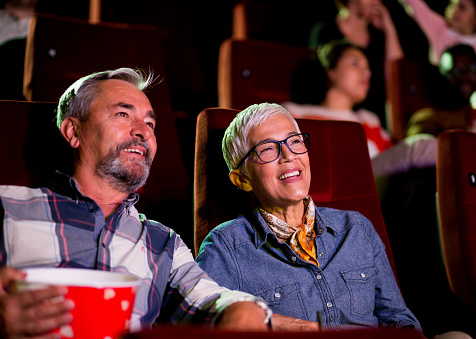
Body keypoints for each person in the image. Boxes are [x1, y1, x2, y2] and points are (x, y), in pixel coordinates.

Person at [0, 68, 272, 338]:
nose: (143, 132)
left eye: (151, 124)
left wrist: (244, 312)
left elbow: (213, 301)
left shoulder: (163, 243)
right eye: (123, 114)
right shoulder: (7, 207)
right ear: (73, 131)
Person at [195, 102, 475, 338]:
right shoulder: (225, 248)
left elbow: (398, 319)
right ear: (242, 179)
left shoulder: (357, 228)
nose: (289, 156)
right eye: (268, 149)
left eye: (294, 142)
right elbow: (202, 325)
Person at [283, 39, 436, 178]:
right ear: (330, 70)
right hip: (329, 181)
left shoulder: (368, 119)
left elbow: (391, 158)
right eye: (355, 63)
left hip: (376, 184)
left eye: (368, 68)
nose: (367, 73)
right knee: (418, 147)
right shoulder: (294, 113)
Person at [309, 0, 404, 127]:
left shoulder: (379, 38)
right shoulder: (326, 31)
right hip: (334, 116)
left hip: (373, 121)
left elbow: (397, 78)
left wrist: (389, 28)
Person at [397, 0, 476, 89]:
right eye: (452, 4)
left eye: (462, 7)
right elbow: (416, 6)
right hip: (437, 97)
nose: (454, 10)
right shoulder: (440, 29)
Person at [405, 43, 476, 137]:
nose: (464, 78)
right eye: (454, 73)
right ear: (441, 78)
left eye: (472, 68)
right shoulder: (429, 118)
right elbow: (422, 145)